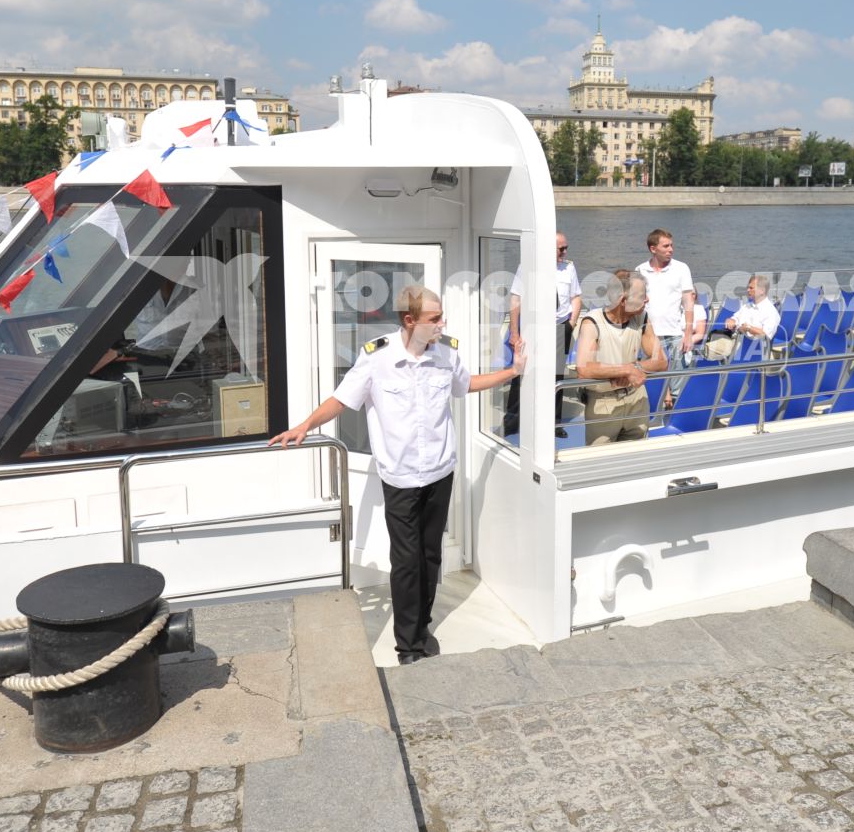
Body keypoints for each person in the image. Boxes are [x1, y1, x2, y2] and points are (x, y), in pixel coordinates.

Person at [270, 285, 521, 664]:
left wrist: (512, 372)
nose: (442, 324)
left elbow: (465, 385)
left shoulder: (447, 353)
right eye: (434, 319)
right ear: (410, 321)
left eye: (441, 317)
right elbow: (342, 399)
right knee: (406, 561)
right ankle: (408, 646)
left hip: (440, 471)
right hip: (401, 478)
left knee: (430, 555)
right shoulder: (377, 358)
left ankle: (422, 627)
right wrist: (306, 425)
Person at [503, 232, 584, 438]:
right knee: (521, 372)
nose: (565, 252)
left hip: (559, 327)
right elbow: (515, 300)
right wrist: (514, 332)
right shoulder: (528, 267)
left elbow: (576, 297)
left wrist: (571, 323)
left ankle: (554, 424)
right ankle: (512, 422)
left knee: (556, 375)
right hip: (533, 328)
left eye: (566, 248)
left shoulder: (569, 267)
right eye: (561, 249)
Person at [574, 271, 667, 446]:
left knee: (635, 458)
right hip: (604, 405)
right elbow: (584, 368)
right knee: (599, 461)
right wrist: (626, 370)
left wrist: (634, 367)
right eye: (642, 296)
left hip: (637, 401)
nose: (647, 300)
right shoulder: (592, 323)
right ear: (623, 300)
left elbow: (661, 361)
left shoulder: (642, 318)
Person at [635, 229, 699, 403]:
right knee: (654, 382)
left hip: (676, 333)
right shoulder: (640, 270)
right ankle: (654, 417)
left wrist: (688, 334)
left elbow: (688, 301)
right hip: (650, 335)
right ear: (653, 249)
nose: (671, 249)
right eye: (666, 246)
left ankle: (676, 416)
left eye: (671, 245)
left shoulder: (681, 268)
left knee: (678, 383)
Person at [725, 275, 783, 344]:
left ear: (762, 291)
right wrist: (731, 320)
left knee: (710, 349)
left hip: (752, 348)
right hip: (735, 341)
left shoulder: (771, 312)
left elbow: (765, 336)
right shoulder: (747, 306)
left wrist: (748, 328)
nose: (748, 290)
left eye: (751, 288)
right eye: (748, 287)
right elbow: (736, 318)